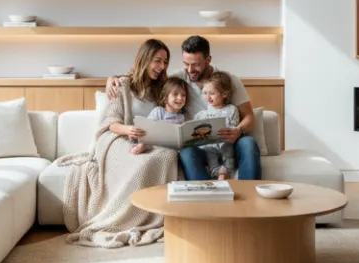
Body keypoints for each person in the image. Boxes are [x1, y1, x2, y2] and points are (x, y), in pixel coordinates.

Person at [57, 39, 179, 247]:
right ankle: (120, 217)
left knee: (168, 155)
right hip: (118, 138)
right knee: (145, 159)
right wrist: (128, 129)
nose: (162, 66)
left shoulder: (162, 88)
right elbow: (110, 122)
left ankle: (152, 214)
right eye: (157, 60)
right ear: (145, 59)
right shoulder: (122, 85)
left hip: (148, 140)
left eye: (165, 61)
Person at [107, 35, 261, 180]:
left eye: (196, 64)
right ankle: (206, 192)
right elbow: (146, 78)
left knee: (248, 142)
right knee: (186, 152)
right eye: (186, 64)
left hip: (228, 143)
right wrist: (113, 79)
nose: (190, 70)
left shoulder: (228, 80)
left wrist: (238, 131)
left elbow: (249, 117)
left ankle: (249, 193)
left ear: (208, 60)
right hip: (200, 146)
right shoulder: (179, 78)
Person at [192, 71, 241, 179]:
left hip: (225, 143)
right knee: (209, 152)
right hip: (209, 146)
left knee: (228, 150)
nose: (208, 97)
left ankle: (227, 172)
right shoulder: (201, 115)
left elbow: (234, 127)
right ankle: (217, 172)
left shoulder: (231, 109)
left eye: (212, 93)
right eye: (205, 93)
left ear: (224, 94)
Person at [131, 76, 189, 154]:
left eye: (183, 95)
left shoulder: (182, 117)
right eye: (175, 94)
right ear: (165, 98)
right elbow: (146, 129)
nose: (180, 98)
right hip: (157, 145)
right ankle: (142, 146)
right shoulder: (159, 111)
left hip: (174, 149)